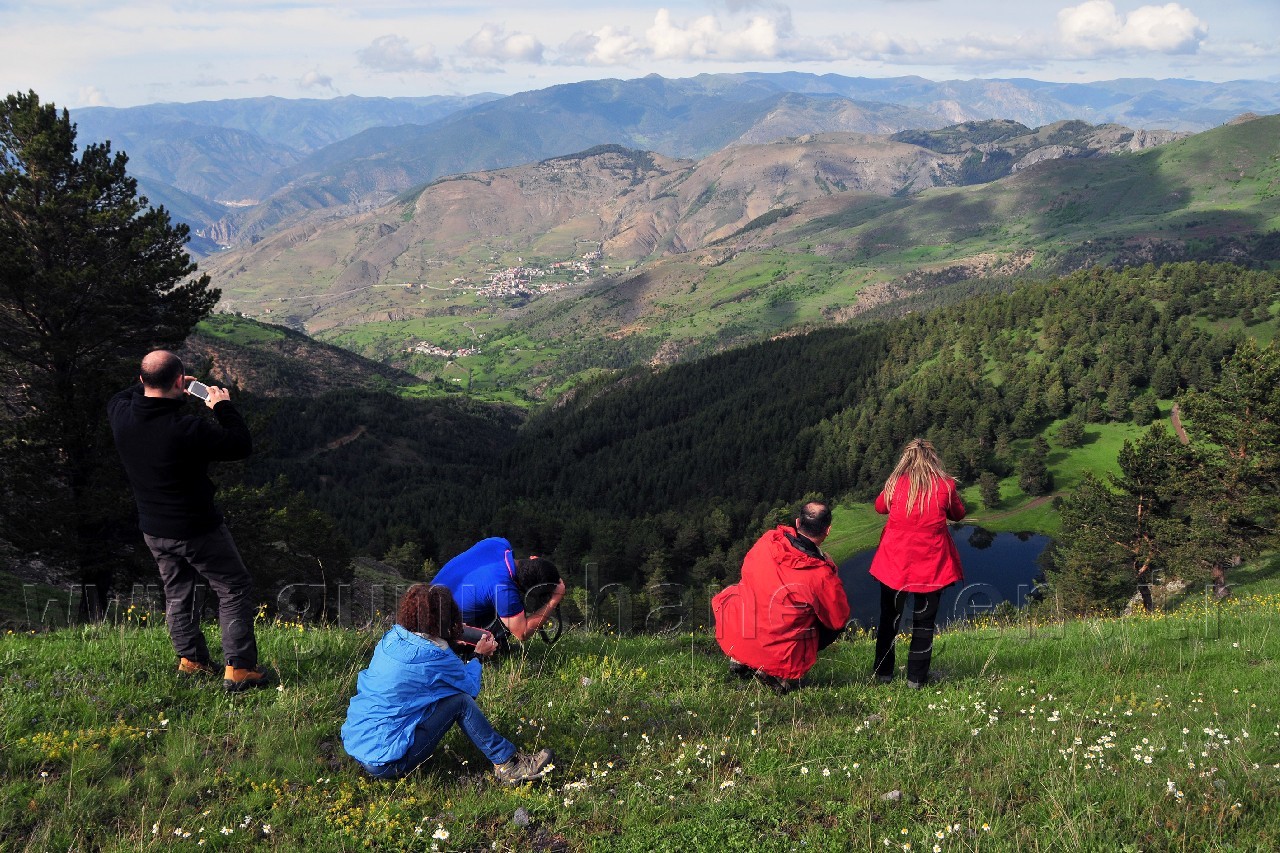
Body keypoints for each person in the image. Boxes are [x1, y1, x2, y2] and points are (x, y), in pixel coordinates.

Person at [108, 350, 269, 692]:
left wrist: (160, 383)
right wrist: (221, 405)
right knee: (233, 588)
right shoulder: (187, 428)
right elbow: (241, 444)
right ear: (180, 382)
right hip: (196, 527)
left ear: (142, 381)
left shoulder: (121, 414)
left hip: (153, 528)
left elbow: (125, 393)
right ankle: (240, 669)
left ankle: (192, 660)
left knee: (178, 592)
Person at [340, 584, 554, 783]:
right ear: (447, 616)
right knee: (460, 702)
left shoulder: (391, 637)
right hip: (388, 762)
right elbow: (470, 688)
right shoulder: (437, 655)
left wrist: (448, 640)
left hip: (357, 742)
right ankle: (507, 763)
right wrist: (477, 656)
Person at [711, 501, 849, 694]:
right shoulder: (822, 575)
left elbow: (747, 571)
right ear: (828, 530)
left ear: (797, 522)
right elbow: (838, 619)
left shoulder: (769, 540)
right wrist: (832, 570)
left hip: (739, 630)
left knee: (740, 590)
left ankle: (741, 658)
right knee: (830, 625)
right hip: (776, 648)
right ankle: (777, 673)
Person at [869, 438, 966, 689]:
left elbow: (880, 507)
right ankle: (916, 679)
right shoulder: (945, 485)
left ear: (905, 459)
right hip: (931, 568)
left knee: (889, 618)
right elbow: (958, 514)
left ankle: (883, 674)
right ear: (933, 458)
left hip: (893, 565)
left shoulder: (895, 484)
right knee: (924, 623)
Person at [431, 537, 565, 647]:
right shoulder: (503, 588)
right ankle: (488, 650)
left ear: (533, 558)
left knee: (499, 604)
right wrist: (554, 599)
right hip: (438, 630)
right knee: (513, 612)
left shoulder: (499, 543)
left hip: (428, 602)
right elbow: (522, 633)